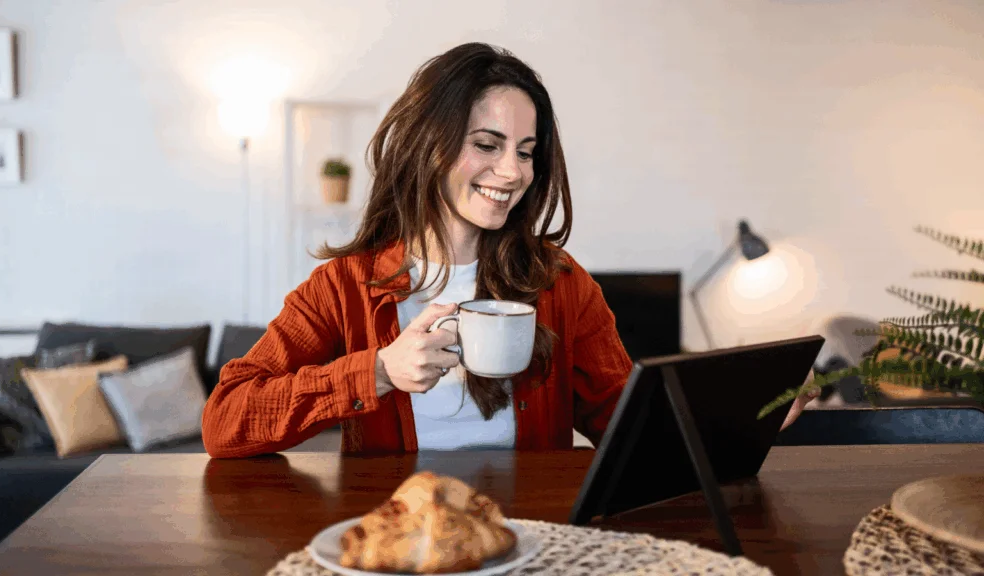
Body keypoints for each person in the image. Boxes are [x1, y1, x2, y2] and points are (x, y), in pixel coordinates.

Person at [201, 42, 818, 459]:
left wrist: (742, 413)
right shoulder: (344, 286)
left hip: (534, 538)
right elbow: (224, 420)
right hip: (402, 542)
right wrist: (380, 371)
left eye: (526, 151)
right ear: (429, 146)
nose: (512, 171)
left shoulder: (562, 283)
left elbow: (622, 422)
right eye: (488, 144)